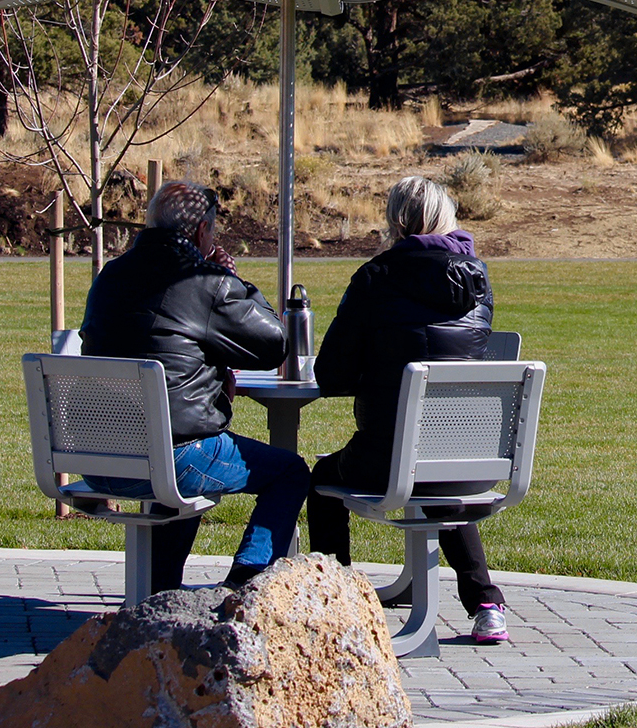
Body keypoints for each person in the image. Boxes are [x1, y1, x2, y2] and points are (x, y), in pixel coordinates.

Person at [79, 180, 311, 593]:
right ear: (203, 231)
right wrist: (232, 280)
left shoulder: (110, 276)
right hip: (172, 457)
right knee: (289, 472)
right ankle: (247, 582)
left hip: (102, 459)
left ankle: (160, 594)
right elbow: (274, 342)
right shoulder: (205, 281)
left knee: (181, 468)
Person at [309, 176, 511, 643]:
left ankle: (337, 604)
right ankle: (485, 604)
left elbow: (331, 375)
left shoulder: (375, 278)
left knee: (320, 481)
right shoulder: (478, 281)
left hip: (388, 459)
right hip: (468, 460)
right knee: (436, 474)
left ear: (395, 221)